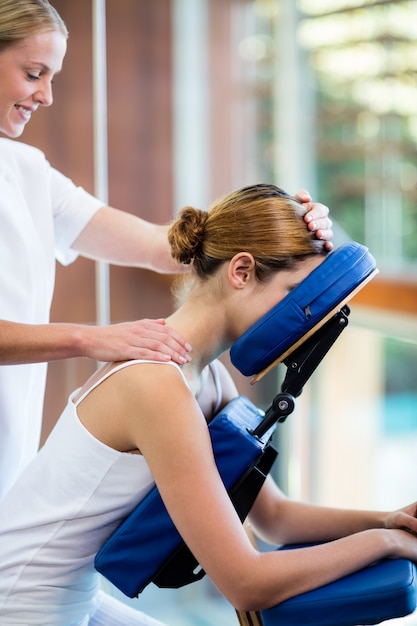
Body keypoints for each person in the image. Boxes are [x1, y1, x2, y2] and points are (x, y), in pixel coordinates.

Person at [0, 183, 415, 626]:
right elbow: (245, 582)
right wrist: (385, 544)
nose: (302, 319)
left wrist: (389, 521)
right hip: (21, 603)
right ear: (241, 272)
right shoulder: (157, 385)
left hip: (70, 595)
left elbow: (275, 517)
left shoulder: (208, 378)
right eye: (294, 292)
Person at [0, 0, 334, 503]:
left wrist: (282, 228)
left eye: (52, 76)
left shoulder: (29, 174)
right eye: (33, 73)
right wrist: (91, 340)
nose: (46, 95)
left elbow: (166, 247)